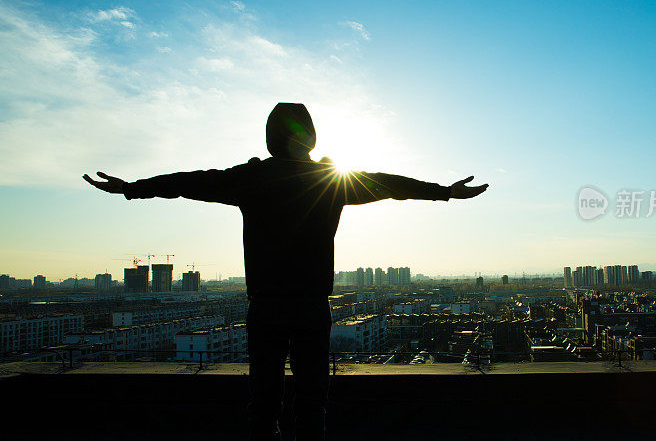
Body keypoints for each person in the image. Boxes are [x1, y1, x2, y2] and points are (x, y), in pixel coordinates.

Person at [83, 102, 488, 440]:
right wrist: (443, 192)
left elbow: (189, 182)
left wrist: (133, 187)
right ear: (311, 138)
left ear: (270, 138)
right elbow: (389, 184)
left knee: (263, 402)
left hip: (266, 306)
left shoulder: (252, 178)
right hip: (311, 305)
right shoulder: (330, 180)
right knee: (313, 403)